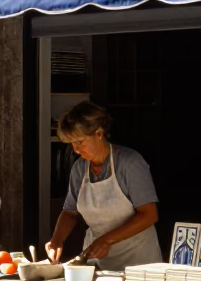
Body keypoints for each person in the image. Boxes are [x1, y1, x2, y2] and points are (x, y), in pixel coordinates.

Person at [45, 101, 162, 269]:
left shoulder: (130, 163)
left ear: (99, 133)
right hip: (97, 260)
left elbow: (149, 215)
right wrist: (56, 240)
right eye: (72, 143)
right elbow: (70, 212)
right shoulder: (79, 168)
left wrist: (107, 240)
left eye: (80, 142)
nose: (75, 150)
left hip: (138, 262)